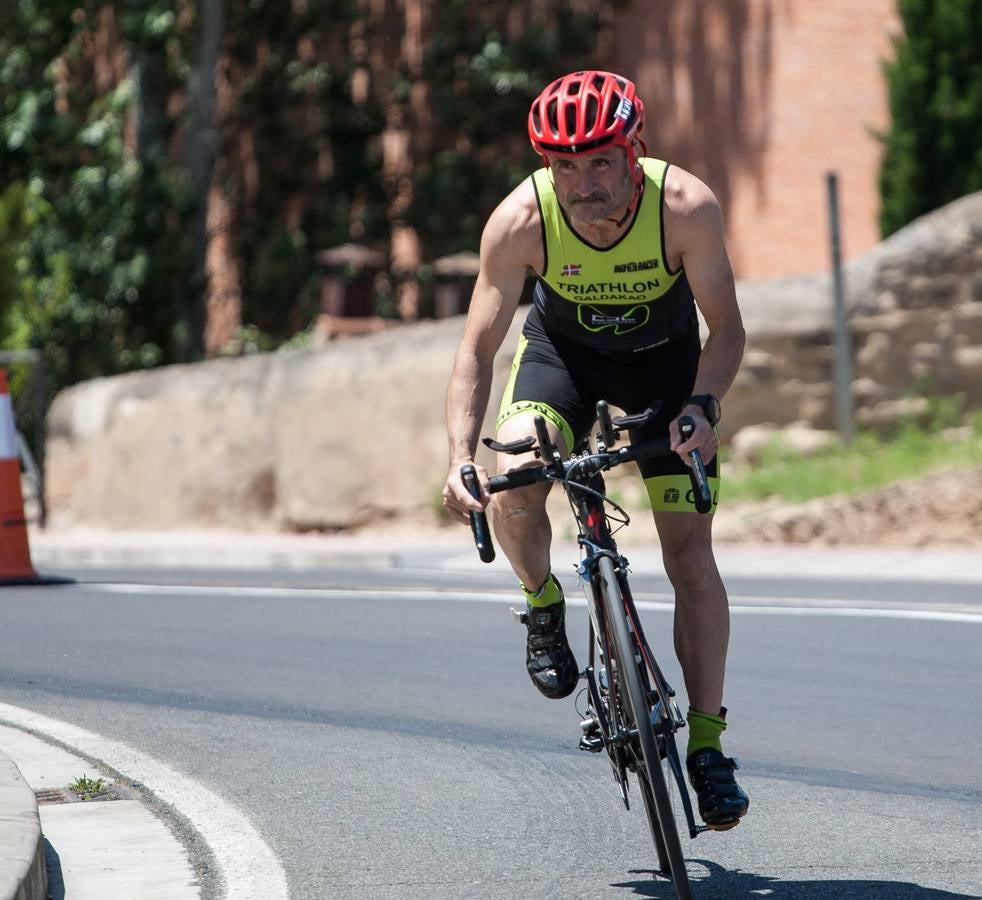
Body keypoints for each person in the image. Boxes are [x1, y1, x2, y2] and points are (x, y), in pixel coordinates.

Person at [442, 70, 749, 830]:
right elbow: (477, 349)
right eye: (565, 166)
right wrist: (458, 456)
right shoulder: (520, 220)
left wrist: (704, 408)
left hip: (668, 369)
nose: (584, 183)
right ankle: (542, 603)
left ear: (634, 150)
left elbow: (729, 330)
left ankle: (708, 749)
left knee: (690, 557)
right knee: (515, 469)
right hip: (563, 362)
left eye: (602, 160)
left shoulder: (687, 208)